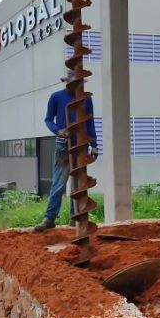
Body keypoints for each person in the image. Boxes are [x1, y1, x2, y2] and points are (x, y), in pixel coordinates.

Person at [34, 69, 98, 232]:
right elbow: (48, 120)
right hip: (64, 145)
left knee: (78, 185)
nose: (77, 87)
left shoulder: (86, 100)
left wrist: (94, 145)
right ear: (68, 82)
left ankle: (75, 217)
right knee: (58, 183)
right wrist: (58, 130)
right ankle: (50, 218)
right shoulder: (56, 97)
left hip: (81, 145)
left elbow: (90, 123)